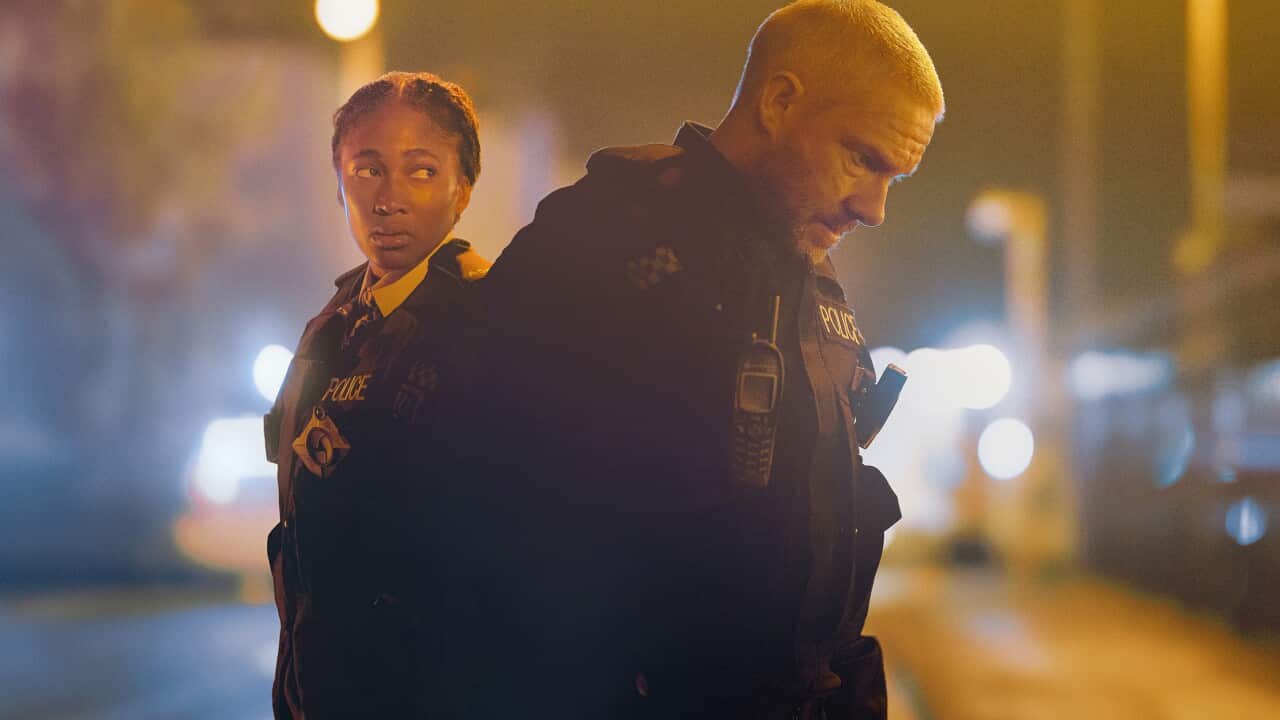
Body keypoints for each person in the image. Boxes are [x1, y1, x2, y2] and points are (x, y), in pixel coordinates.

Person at [436, 0, 944, 717]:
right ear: (779, 102)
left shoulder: (809, 269)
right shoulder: (604, 235)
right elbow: (471, 511)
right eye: (862, 159)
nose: (875, 208)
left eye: (895, 178)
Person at [263, 71, 489, 719]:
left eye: (421, 171)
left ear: (463, 188)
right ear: (339, 185)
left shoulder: (492, 323)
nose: (389, 200)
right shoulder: (330, 329)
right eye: (367, 171)